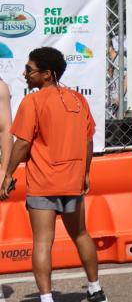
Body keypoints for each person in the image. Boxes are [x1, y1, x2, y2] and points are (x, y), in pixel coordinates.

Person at [0, 47, 106, 302]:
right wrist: (86, 172)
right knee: (80, 234)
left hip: (43, 182)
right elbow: (88, 140)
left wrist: (8, 174)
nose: (25, 74)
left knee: (42, 242)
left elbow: (22, 143)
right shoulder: (78, 100)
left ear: (47, 74)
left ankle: (46, 298)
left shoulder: (32, 101)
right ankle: (96, 290)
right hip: (72, 180)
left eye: (29, 69)